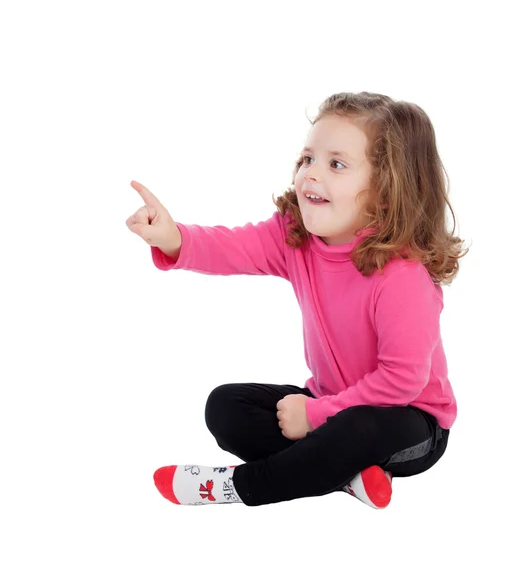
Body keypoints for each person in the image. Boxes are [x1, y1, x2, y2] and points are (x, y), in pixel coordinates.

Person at [125, 91, 470, 509]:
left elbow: (400, 383)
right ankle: (346, 476)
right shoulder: (297, 237)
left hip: (409, 422)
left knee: (357, 430)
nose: (310, 174)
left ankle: (243, 485)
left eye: (336, 164)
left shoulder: (403, 276)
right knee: (226, 407)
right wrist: (174, 238)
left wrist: (315, 417)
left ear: (385, 190)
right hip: (327, 405)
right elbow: (234, 248)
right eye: (308, 159)